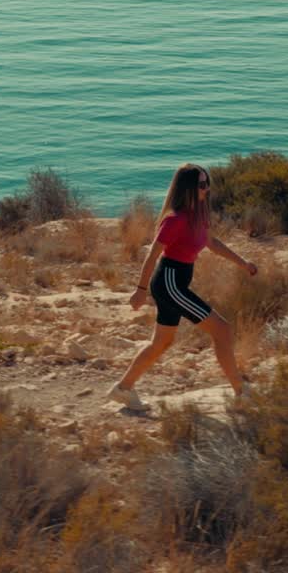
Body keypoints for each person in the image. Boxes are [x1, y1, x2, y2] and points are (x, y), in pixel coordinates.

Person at [107, 163, 258, 411]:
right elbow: (152, 255)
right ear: (188, 187)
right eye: (201, 184)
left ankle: (123, 389)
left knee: (161, 343)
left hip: (175, 281)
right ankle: (241, 393)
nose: (206, 189)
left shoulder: (198, 214)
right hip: (169, 281)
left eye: (208, 183)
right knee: (222, 330)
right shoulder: (175, 220)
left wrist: (243, 263)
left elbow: (212, 243)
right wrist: (140, 291)